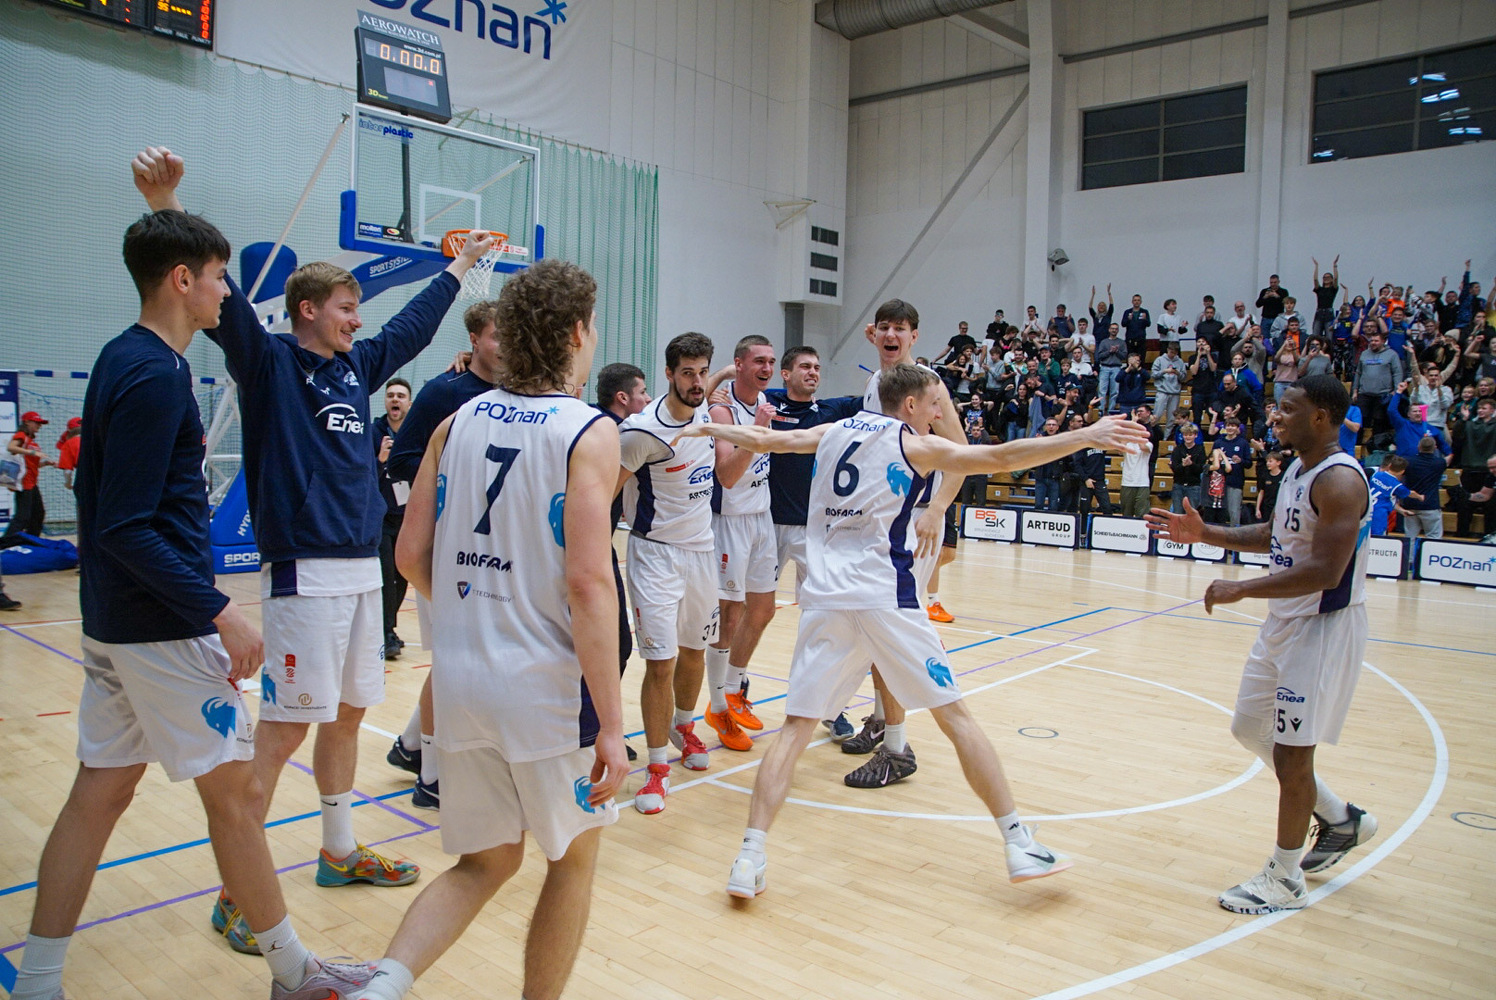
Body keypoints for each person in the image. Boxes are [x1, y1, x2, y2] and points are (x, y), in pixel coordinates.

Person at [10, 157, 374, 1000]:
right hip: (162, 627)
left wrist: (166, 203)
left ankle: (38, 981)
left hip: (116, 622)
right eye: (217, 277)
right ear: (183, 281)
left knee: (99, 795)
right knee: (237, 799)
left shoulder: (128, 357)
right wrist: (220, 610)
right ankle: (296, 975)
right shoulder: (153, 375)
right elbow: (124, 525)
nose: (225, 294)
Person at [131, 148, 495, 939]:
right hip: (304, 576)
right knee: (286, 729)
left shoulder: (355, 367)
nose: (357, 321)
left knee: (350, 712)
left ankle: (338, 849)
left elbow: (408, 329)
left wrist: (460, 268)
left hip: (362, 571)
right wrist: (166, 202)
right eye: (345, 308)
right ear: (306, 310)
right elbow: (223, 302)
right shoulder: (267, 364)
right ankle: (239, 891)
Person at [681, 364, 1150, 899]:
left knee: (794, 731)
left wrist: (709, 427)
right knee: (956, 717)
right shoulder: (913, 444)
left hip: (825, 600)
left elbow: (769, 440)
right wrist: (1086, 435)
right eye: (933, 405)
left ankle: (749, 857)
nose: (936, 415)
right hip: (887, 598)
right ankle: (1019, 843)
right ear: (908, 405)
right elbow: (1001, 458)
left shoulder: (833, 431)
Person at [366, 258, 625, 1000]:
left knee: (484, 862)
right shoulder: (588, 431)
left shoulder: (455, 423)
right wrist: (612, 725)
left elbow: (409, 556)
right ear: (575, 334)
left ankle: (378, 989)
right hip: (544, 690)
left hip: (461, 683)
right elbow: (588, 584)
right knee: (572, 860)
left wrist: (471, 608)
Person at [1145, 373, 1378, 915]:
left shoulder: (1341, 481)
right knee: (1250, 728)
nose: (1276, 416)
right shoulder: (1298, 468)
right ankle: (1341, 819)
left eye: (1288, 409)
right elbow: (1277, 534)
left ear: (1320, 417)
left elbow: (1326, 570)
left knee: (1293, 756)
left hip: (1322, 627)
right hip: (1284, 623)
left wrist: (1242, 588)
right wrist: (1207, 534)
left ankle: (1285, 878)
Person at [382, 300, 505, 807]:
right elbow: (402, 462)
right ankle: (431, 777)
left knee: (472, 658)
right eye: (497, 335)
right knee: (453, 660)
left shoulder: (517, 392)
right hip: (448, 548)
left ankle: (411, 745)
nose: (507, 345)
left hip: (494, 547)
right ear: (474, 340)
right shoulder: (443, 392)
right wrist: (449, 491)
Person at [617, 332, 720, 813]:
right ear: (669, 374)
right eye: (687, 373)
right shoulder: (642, 432)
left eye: (703, 372)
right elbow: (605, 491)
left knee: (695, 653)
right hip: (655, 555)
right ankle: (656, 769)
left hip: (703, 552)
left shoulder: (706, 412)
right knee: (661, 663)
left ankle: (684, 726)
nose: (697, 382)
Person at [763, 346, 863, 740]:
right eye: (805, 366)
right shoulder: (767, 402)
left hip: (813, 531)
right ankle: (732, 692)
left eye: (817, 367)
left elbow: (878, 397)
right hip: (765, 525)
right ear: (785, 374)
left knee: (826, 621)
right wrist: (719, 382)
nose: (813, 372)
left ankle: (831, 708)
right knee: (747, 614)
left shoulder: (833, 410)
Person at [704, 335, 780, 753]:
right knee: (729, 616)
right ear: (740, 364)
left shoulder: (765, 399)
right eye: (758, 361)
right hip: (730, 520)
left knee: (763, 609)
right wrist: (759, 431)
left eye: (771, 361)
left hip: (761, 517)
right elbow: (728, 476)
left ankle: (733, 690)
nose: (766, 368)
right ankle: (717, 705)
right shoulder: (723, 410)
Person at [595, 362, 651, 760]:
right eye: (642, 393)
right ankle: (591, 732)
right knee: (613, 645)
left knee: (614, 645)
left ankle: (591, 730)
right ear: (622, 398)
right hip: (588, 549)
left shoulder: (597, 425)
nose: (647, 399)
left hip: (598, 546)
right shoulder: (613, 435)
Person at [373, 378, 411, 661]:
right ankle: (385, 634)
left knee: (403, 576)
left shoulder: (414, 434)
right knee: (386, 577)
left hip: (407, 517)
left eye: (400, 396)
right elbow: (362, 477)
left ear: (409, 403)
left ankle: (388, 628)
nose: (395, 400)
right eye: (390, 395)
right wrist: (380, 460)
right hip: (381, 518)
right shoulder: (372, 433)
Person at [4, 411, 54, 538]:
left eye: (40, 423)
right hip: (24, 482)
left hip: (32, 482)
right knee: (22, 516)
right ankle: (5, 543)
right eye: (36, 422)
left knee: (38, 513)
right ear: (27, 422)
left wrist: (45, 463)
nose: (39, 425)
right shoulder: (21, 435)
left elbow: (30, 464)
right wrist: (32, 453)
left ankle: (31, 539)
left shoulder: (31, 441)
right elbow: (11, 447)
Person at [1400, 436, 1447, 538]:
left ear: (1418, 447)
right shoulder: (1440, 463)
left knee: (1410, 538)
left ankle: (1409, 550)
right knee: (1433, 538)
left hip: (1410, 504)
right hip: (1430, 505)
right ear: (1435, 447)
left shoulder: (1408, 461)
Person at [1368, 455, 1418, 536]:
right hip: (1379, 513)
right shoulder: (1396, 485)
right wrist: (1420, 497)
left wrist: (1401, 510)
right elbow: (1410, 493)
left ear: (1389, 465)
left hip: (1366, 508)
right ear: (1402, 472)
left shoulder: (1376, 474)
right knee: (1377, 537)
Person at [1170, 423, 1206, 513]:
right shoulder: (1177, 449)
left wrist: (1191, 464)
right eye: (1185, 435)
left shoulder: (1200, 449)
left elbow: (1201, 468)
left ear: (1195, 435)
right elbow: (1174, 468)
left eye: (1190, 435)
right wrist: (1183, 465)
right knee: (1177, 513)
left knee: (1192, 513)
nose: (1188, 437)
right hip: (1178, 485)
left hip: (1193, 486)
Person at [1095, 322, 1128, 413]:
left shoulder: (1121, 342)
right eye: (1112, 328)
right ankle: (1101, 411)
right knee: (1102, 391)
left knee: (1115, 391)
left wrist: (1117, 351)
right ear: (1109, 330)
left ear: (1118, 331)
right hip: (1104, 367)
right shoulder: (1104, 342)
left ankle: (1111, 412)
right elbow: (1100, 356)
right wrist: (1109, 351)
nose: (1114, 330)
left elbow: (1124, 356)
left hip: (1116, 368)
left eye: (1116, 329)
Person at [1151, 341, 1186, 425]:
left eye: (1174, 353)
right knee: (1156, 415)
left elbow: (1183, 378)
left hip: (1175, 392)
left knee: (1172, 418)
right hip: (1162, 391)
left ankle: (1168, 434)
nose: (1172, 354)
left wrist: (1178, 373)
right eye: (1171, 352)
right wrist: (1164, 371)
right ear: (1167, 350)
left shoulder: (1180, 362)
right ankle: (1152, 431)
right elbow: (1153, 375)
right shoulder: (1159, 360)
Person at [1311, 256, 1340, 339]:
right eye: (1324, 277)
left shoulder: (1333, 289)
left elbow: (1336, 278)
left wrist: (1335, 265)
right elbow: (1315, 280)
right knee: (1315, 335)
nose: (1326, 279)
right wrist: (1316, 266)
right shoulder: (1319, 289)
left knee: (1329, 336)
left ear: (1331, 279)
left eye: (1328, 277)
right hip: (1319, 312)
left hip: (1329, 313)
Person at [1120, 293, 1151, 360]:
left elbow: (1148, 324)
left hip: (1141, 339)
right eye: (1135, 300)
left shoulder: (1144, 312)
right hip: (1130, 339)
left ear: (1141, 302)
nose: (1136, 302)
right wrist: (1128, 319)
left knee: (1141, 359)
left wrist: (1145, 319)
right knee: (1130, 359)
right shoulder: (1127, 312)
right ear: (1132, 302)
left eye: (1138, 300)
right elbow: (1123, 324)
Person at [55, 417, 82, 491]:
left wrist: (68, 484)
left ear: (69, 432)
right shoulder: (94, 438)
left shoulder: (69, 444)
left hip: (85, 479)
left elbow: (67, 471)